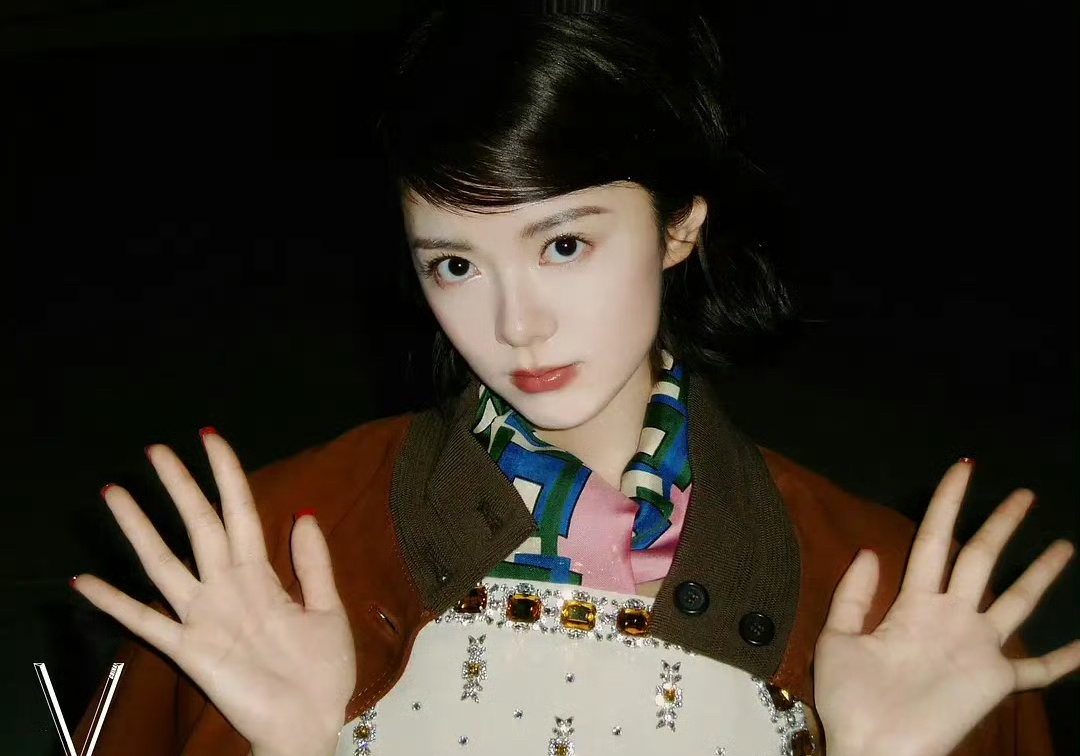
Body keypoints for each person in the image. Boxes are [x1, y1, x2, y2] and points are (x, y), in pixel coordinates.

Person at [71, 2, 1079, 755]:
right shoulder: (276, 551)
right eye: (455, 264)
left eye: (563, 245)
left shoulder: (889, 594)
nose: (516, 324)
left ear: (680, 224)